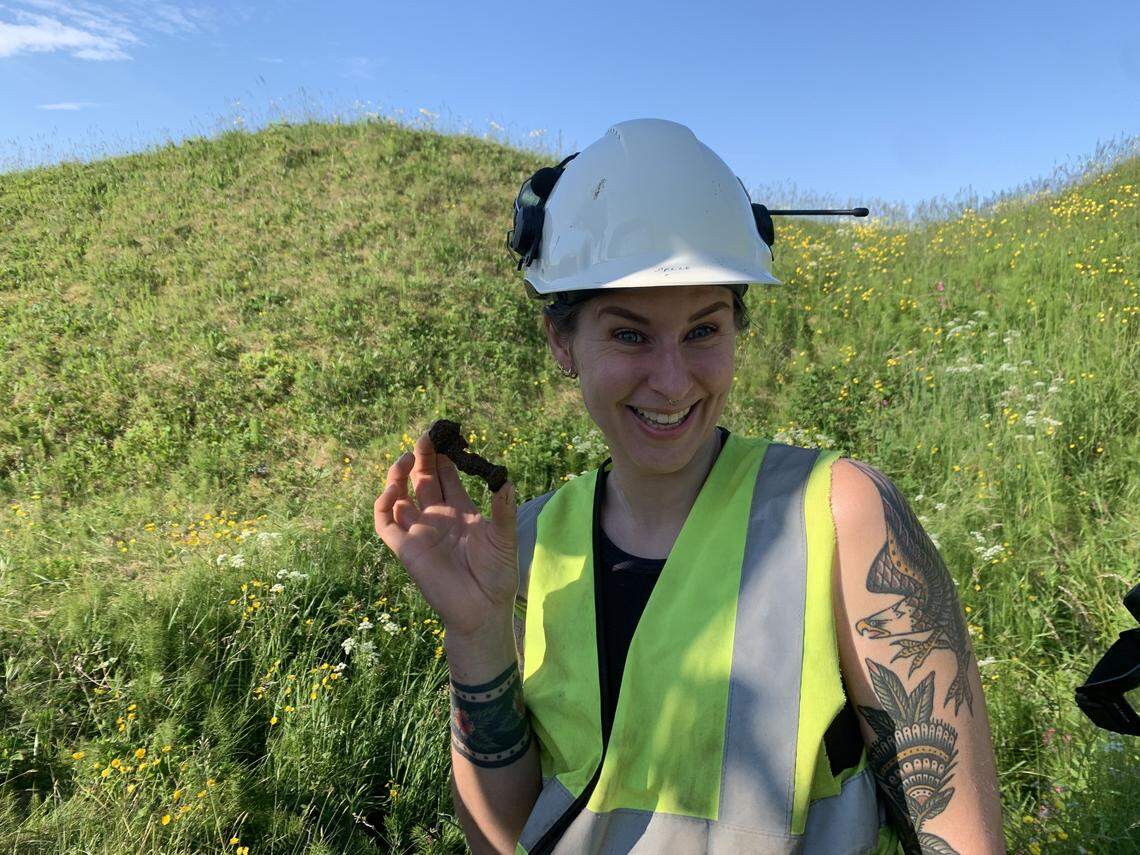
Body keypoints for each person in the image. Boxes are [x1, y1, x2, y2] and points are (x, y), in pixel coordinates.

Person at [375, 119, 1005, 854]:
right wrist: (476, 632)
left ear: (738, 326)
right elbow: (506, 838)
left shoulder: (839, 514)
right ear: (561, 341)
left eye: (703, 330)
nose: (672, 382)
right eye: (630, 335)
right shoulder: (525, 543)